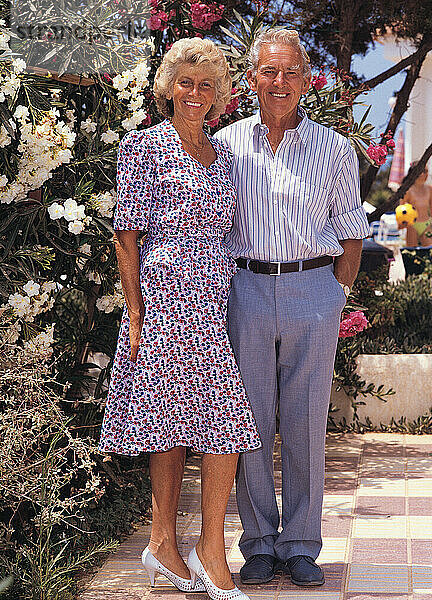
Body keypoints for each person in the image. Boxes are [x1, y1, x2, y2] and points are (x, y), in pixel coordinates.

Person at [98, 37, 260, 600]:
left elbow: (227, 236)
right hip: (168, 306)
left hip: (211, 307)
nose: (195, 94)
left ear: (219, 95)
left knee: (185, 425)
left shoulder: (227, 160)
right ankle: (207, 554)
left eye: (206, 85)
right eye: (186, 82)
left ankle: (165, 544)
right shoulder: (143, 147)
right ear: (169, 87)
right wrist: (137, 320)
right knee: (223, 427)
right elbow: (126, 238)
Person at [214, 29, 369, 587]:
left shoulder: (333, 147)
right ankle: (258, 543)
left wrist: (335, 294)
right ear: (252, 78)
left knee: (305, 422)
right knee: (246, 422)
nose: (279, 83)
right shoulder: (225, 144)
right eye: (268, 72)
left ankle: (301, 544)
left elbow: (352, 227)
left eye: (290, 73)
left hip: (312, 290)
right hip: (246, 290)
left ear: (306, 80)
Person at [404, 162, 432, 247]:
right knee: (411, 253)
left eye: (426, 171)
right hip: (412, 225)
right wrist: (401, 225)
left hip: (426, 224)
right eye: (422, 171)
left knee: (429, 251)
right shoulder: (408, 190)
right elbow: (401, 209)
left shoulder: (430, 189)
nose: (425, 174)